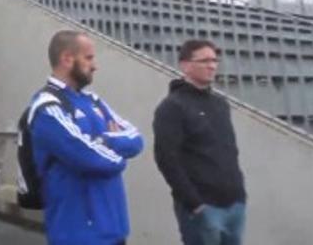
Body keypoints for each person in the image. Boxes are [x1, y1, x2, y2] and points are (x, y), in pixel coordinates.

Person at [27, 30, 144, 245]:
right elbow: (88, 157)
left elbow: (136, 139)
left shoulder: (94, 101)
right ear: (67, 58)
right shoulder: (47, 107)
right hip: (77, 234)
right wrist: (117, 152)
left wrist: (103, 140)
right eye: (89, 58)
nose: (95, 65)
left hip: (114, 229)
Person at [153, 40, 247, 245]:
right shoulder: (172, 107)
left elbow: (230, 151)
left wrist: (240, 195)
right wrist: (195, 204)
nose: (212, 66)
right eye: (204, 60)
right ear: (185, 65)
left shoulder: (220, 104)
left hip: (234, 206)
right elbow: (166, 159)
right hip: (202, 209)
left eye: (214, 60)